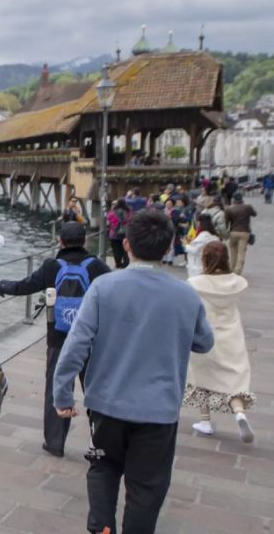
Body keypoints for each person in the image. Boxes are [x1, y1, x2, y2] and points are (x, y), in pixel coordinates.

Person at [53, 210, 214, 534]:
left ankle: (102, 527)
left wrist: (62, 394)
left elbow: (76, 345)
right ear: (169, 245)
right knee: (147, 486)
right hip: (159, 411)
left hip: (106, 405)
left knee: (103, 467)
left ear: (126, 244)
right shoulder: (186, 293)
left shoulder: (103, 287)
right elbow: (204, 343)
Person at [0, 222, 110, 458]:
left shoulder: (52, 266)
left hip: (58, 337)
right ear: (84, 241)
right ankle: (100, 441)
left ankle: (54, 442)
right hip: (91, 336)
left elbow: (25, 286)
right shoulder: (97, 266)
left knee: (56, 387)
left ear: (60, 241)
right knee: (94, 388)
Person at [183, 242, 256, 443]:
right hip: (232, 334)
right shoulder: (238, 282)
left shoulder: (195, 283)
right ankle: (239, 412)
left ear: (204, 259)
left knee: (201, 377)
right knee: (234, 377)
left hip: (206, 334)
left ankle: (205, 420)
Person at [224, 191, 256, 275]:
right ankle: (237, 271)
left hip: (233, 232)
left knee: (233, 251)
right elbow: (255, 214)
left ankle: (232, 268)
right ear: (242, 198)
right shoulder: (248, 207)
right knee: (241, 252)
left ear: (233, 199)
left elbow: (226, 222)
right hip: (245, 232)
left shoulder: (229, 209)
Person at [186, 214, 220, 279]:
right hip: (209, 264)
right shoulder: (214, 236)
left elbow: (195, 250)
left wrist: (186, 246)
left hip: (197, 265)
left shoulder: (203, 236)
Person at [106, 199, 131, 269]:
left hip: (114, 234)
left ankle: (118, 264)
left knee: (116, 250)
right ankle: (126, 264)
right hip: (126, 234)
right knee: (125, 250)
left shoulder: (112, 213)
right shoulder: (128, 212)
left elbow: (108, 222)